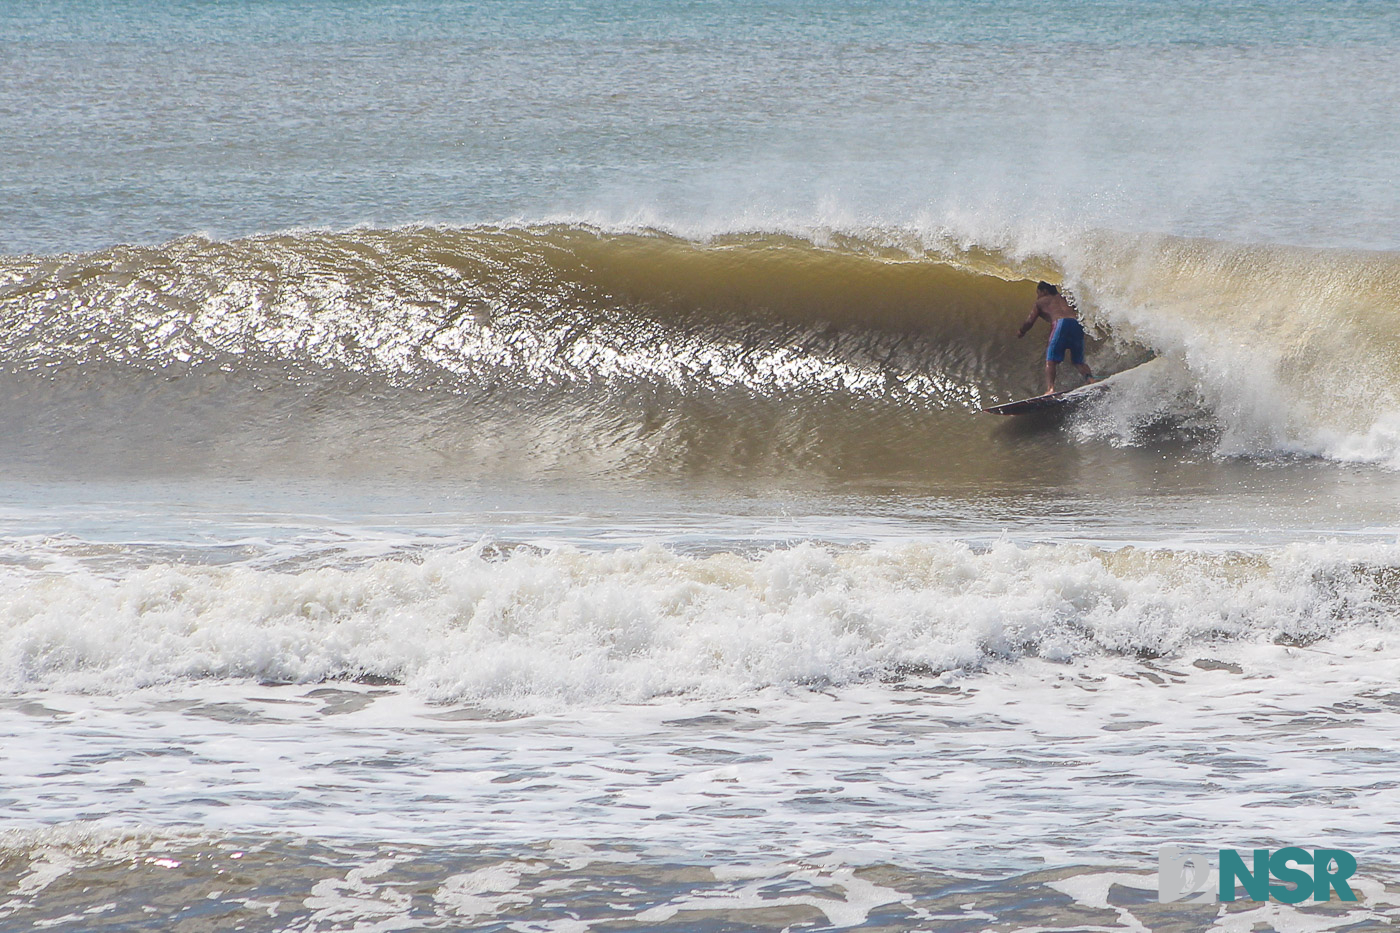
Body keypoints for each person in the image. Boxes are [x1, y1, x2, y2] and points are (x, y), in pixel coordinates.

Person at [1017, 282, 1095, 395]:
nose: (1038, 296)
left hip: (1060, 324)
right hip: (1076, 323)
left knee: (1051, 361)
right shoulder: (1064, 297)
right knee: (1078, 361)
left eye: (1038, 293)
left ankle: (1050, 389)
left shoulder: (1041, 302)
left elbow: (1030, 321)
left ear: (1044, 291)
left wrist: (1022, 331)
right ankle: (1090, 379)